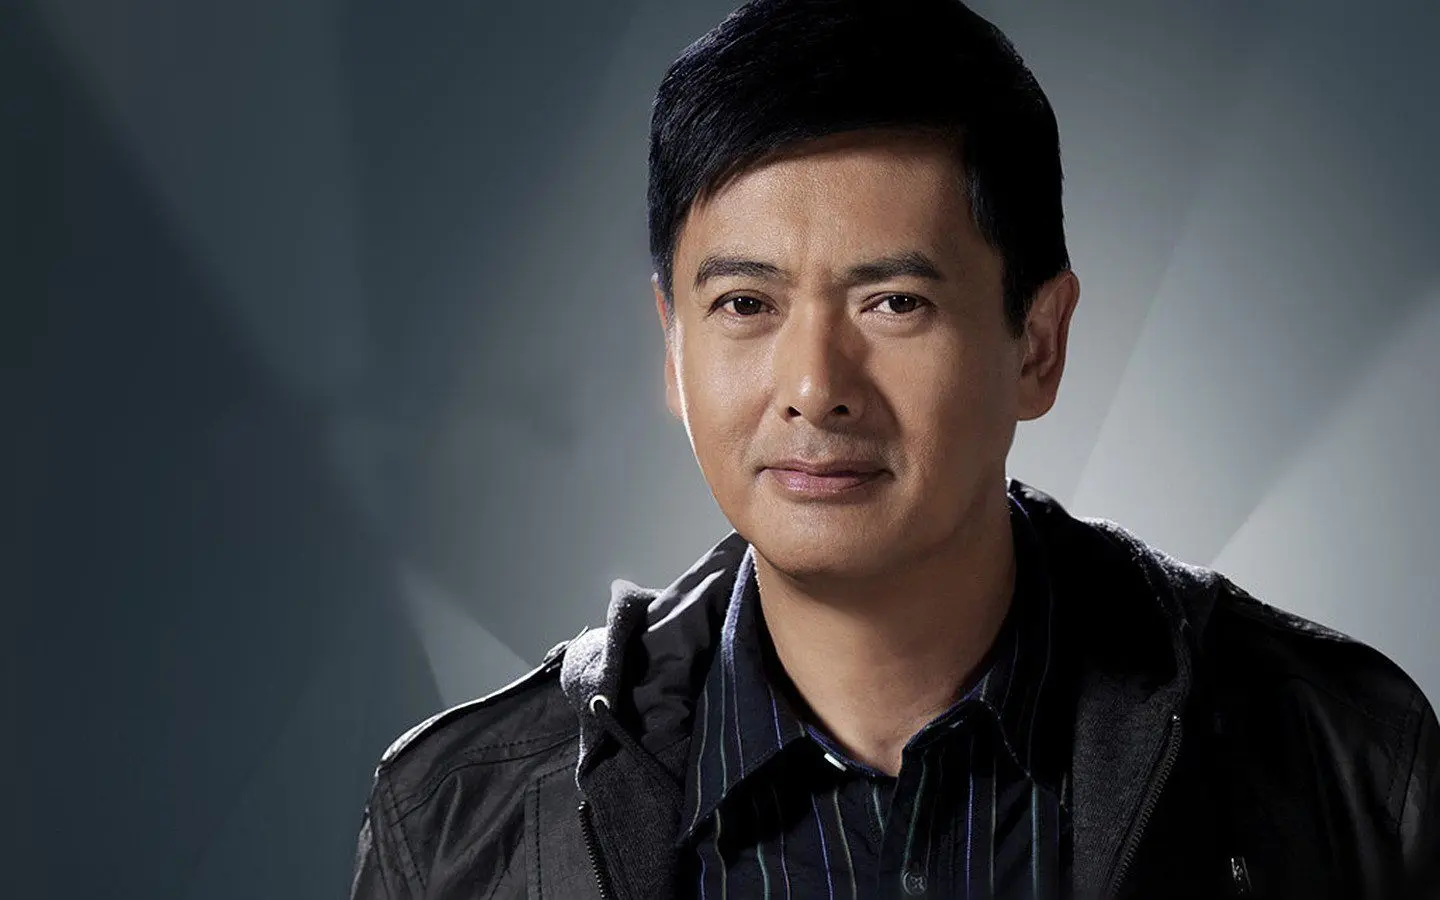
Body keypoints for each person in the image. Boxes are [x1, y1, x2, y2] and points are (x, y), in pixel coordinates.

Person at [348, 1, 1439, 897]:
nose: (814, 387)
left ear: (1038, 343)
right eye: (745, 304)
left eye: (895, 302)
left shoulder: (1343, 761)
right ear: (673, 350)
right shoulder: (457, 829)